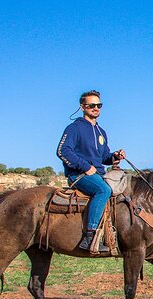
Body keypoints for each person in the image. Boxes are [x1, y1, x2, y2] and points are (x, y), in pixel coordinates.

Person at [56, 90, 126, 252]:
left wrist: (115, 156)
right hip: (78, 175)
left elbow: (104, 157)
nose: (96, 108)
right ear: (82, 107)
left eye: (99, 105)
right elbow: (62, 151)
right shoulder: (74, 128)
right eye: (92, 105)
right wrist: (85, 166)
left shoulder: (102, 132)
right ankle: (90, 236)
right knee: (103, 190)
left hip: (99, 174)